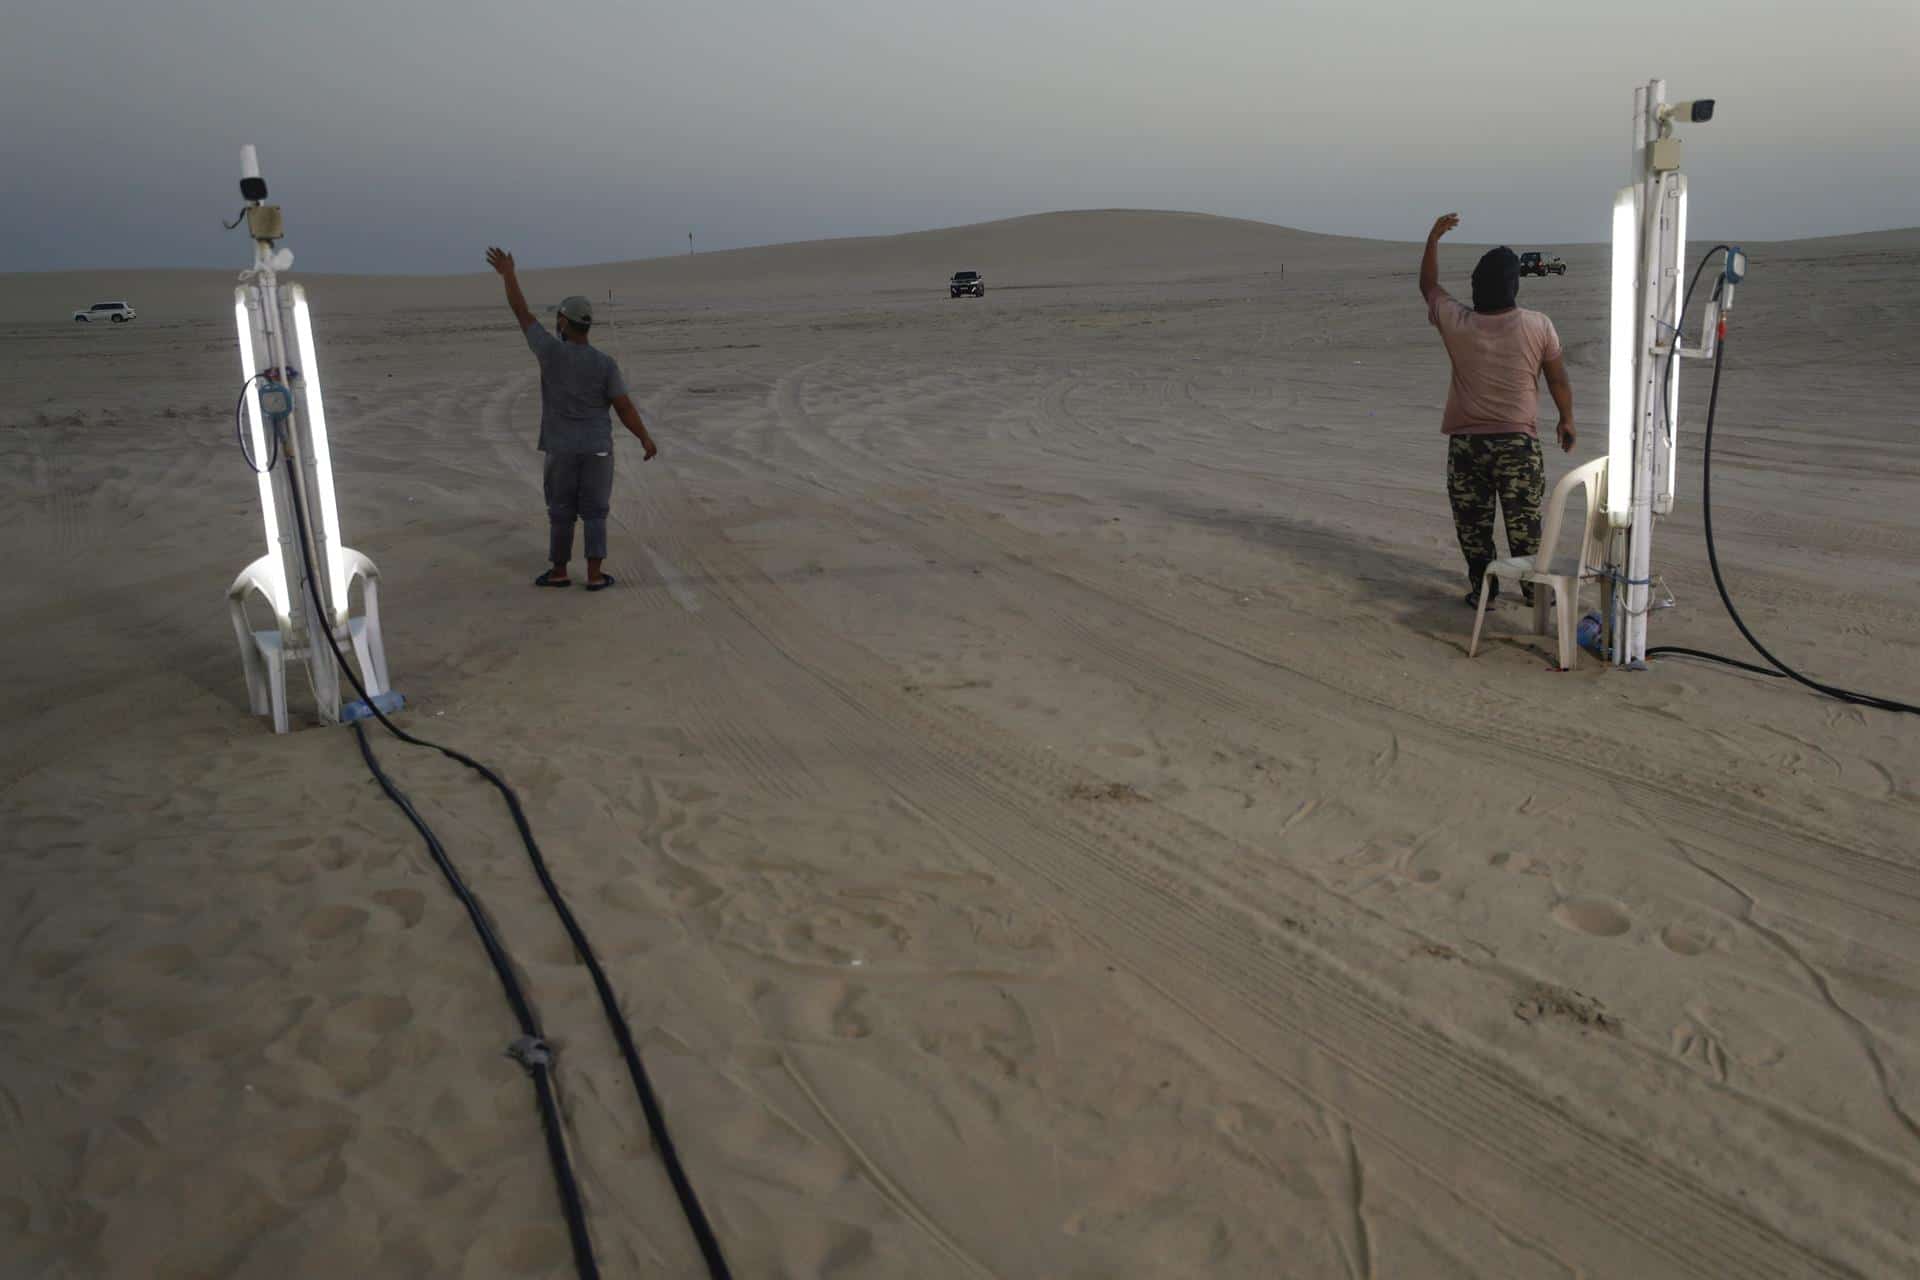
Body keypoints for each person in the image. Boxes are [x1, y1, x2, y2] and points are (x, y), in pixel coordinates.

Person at [1419, 213, 1576, 608]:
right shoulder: (1539, 325)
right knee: (1525, 527)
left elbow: (1429, 286)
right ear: (1514, 286)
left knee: (1474, 527)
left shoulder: (1458, 321)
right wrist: (1566, 419)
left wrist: (1433, 240)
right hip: (1518, 448)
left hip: (1468, 446)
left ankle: (1484, 591)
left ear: (1477, 285)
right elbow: (1557, 378)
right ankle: (1534, 594)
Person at [486, 246, 658, 591]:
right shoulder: (604, 364)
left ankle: (560, 571)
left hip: (561, 449)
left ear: (564, 322)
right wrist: (644, 437)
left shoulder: (550, 352)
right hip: (596, 449)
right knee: (595, 512)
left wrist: (509, 275)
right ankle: (594, 576)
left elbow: (520, 311)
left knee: (561, 511)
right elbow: (623, 407)